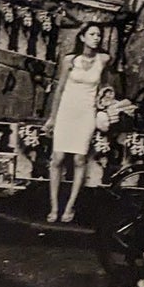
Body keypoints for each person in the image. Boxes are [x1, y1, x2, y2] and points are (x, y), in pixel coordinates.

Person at [45, 21, 110, 224]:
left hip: (86, 114)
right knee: (57, 158)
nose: (96, 38)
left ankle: (70, 207)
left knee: (79, 160)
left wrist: (105, 106)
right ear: (82, 37)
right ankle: (54, 207)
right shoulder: (70, 60)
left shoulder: (104, 59)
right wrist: (52, 117)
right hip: (66, 112)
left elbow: (107, 88)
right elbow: (59, 89)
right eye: (92, 34)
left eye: (98, 35)